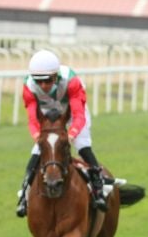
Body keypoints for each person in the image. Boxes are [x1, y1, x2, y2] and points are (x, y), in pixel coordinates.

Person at [15, 49, 106, 218]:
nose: (43, 86)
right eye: (38, 81)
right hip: (48, 113)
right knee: (37, 151)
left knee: (82, 145)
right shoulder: (28, 87)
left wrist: (70, 135)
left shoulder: (71, 82)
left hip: (72, 113)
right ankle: (24, 195)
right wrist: (38, 137)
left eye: (48, 80)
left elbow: (78, 115)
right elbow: (32, 119)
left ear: (56, 76)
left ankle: (98, 189)